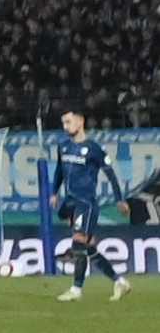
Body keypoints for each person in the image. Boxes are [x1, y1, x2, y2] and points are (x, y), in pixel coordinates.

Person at [52, 113, 126, 300]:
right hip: (70, 202)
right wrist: (54, 192)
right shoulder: (63, 146)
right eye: (63, 123)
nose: (65, 126)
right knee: (89, 248)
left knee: (78, 243)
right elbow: (59, 171)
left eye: (68, 122)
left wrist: (119, 199)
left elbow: (111, 174)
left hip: (87, 204)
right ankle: (119, 282)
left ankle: (76, 290)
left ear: (80, 121)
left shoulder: (94, 149)